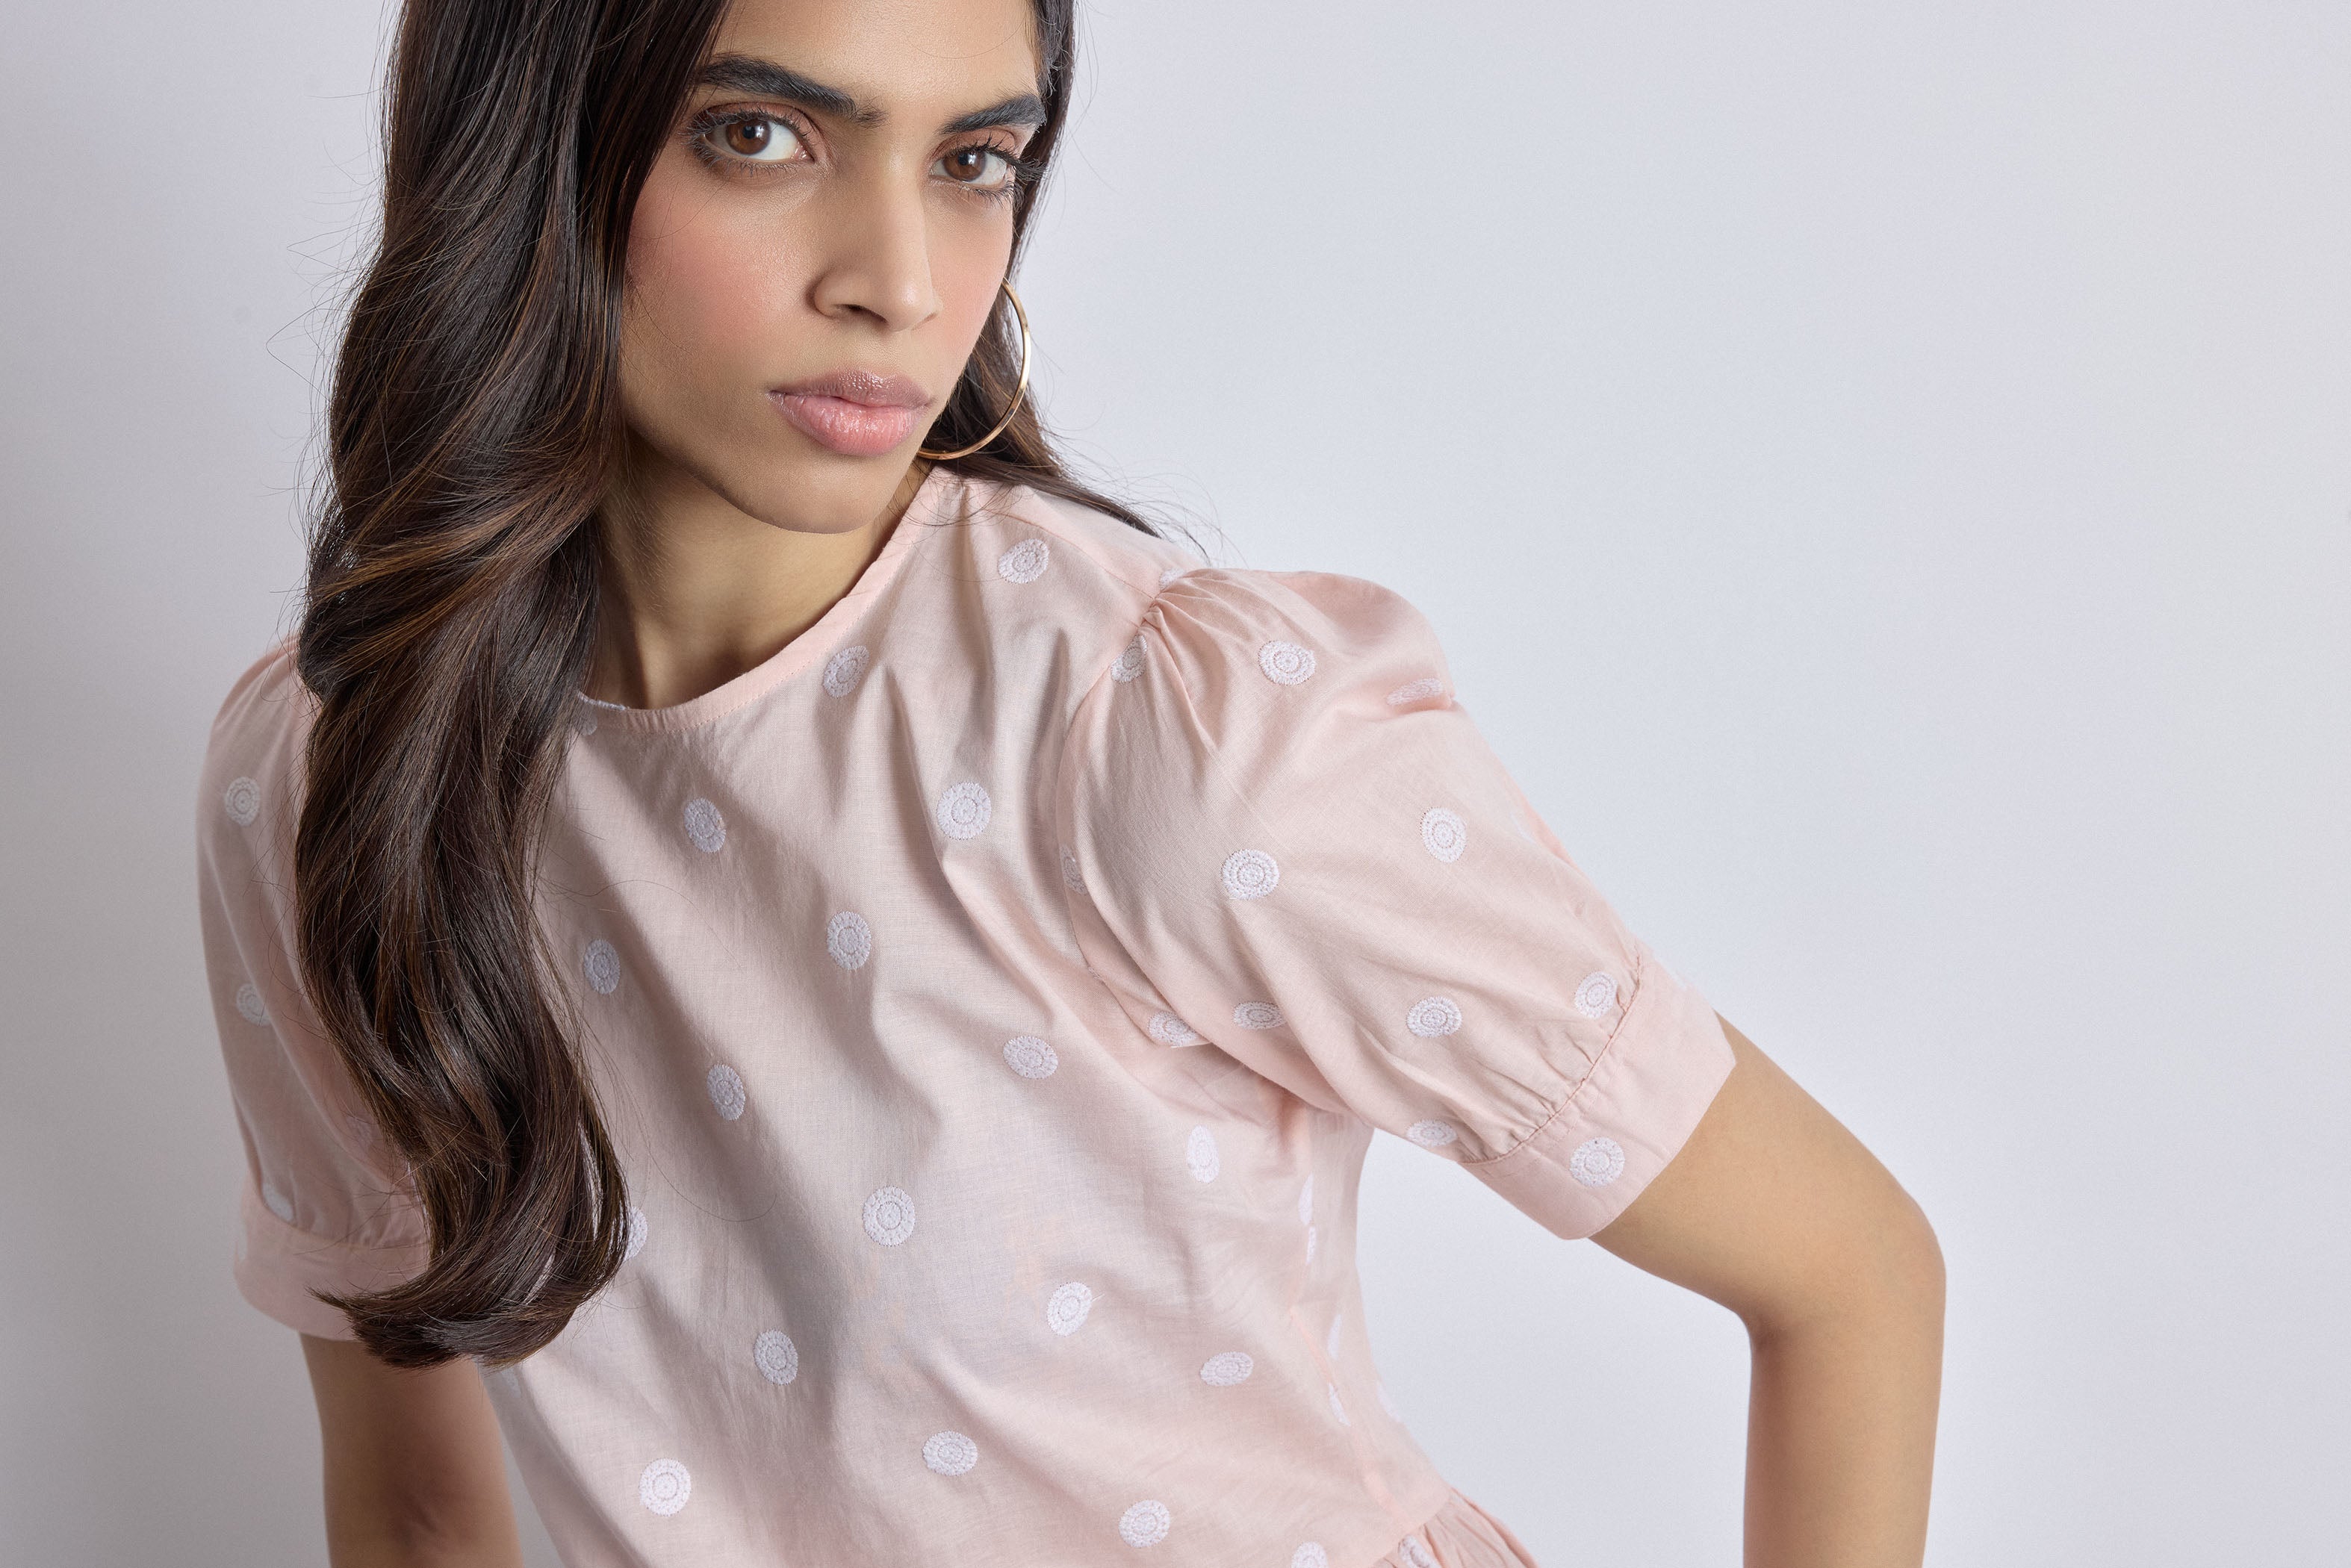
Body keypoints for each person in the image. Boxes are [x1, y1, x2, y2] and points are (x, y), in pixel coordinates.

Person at [193, 0, 1945, 1563]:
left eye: (971, 160)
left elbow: (1845, 1271)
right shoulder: (343, 784)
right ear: (525, 155)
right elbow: (420, 1515)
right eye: (762, 135)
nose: (897, 280)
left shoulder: (1156, 739)